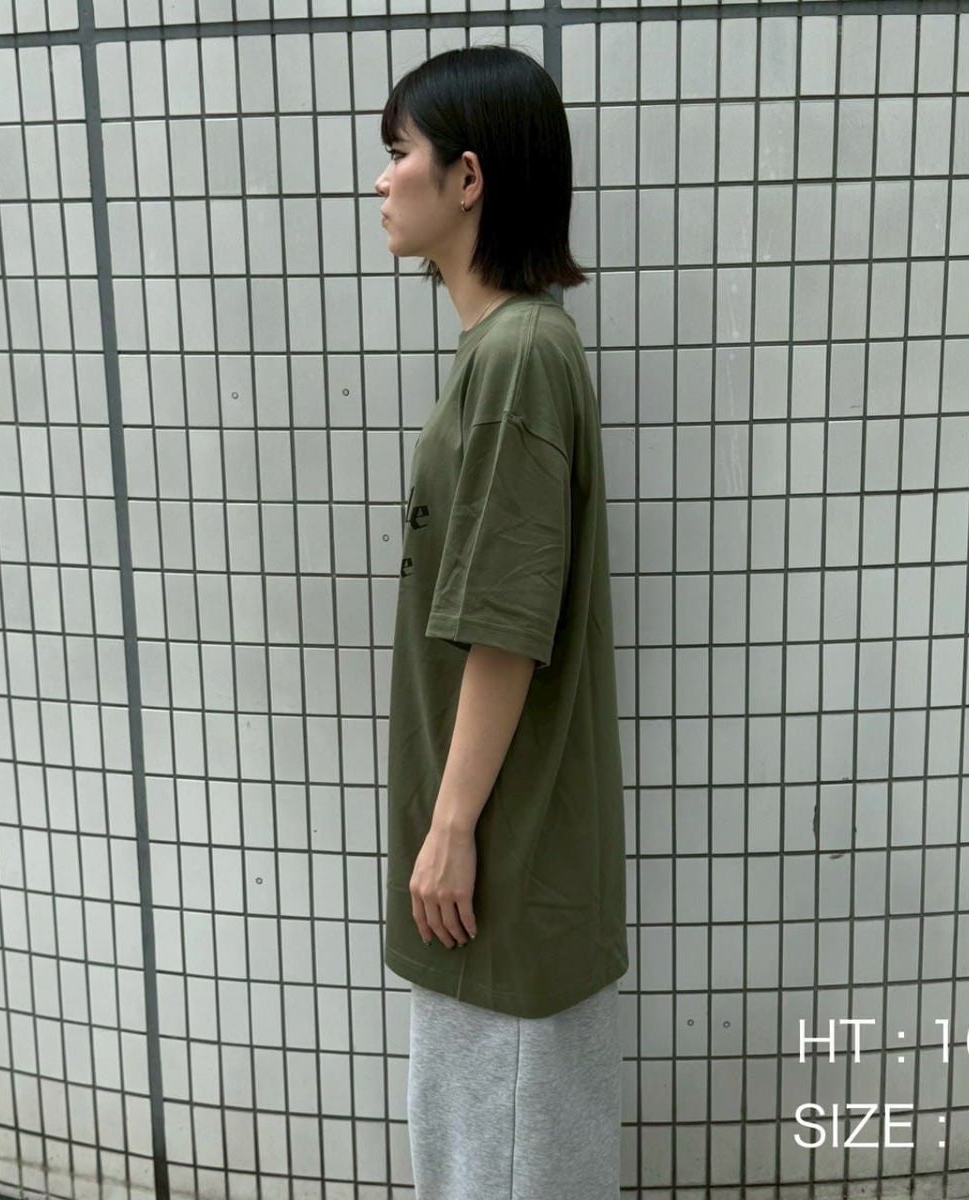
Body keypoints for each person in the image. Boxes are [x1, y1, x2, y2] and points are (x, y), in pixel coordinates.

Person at [374, 45, 629, 1200]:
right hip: (499, 859)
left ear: (467, 178)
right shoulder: (507, 350)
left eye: (402, 152)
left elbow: (508, 624)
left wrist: (451, 826)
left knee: (507, 1164)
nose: (383, 179)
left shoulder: (521, 355)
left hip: (505, 865)